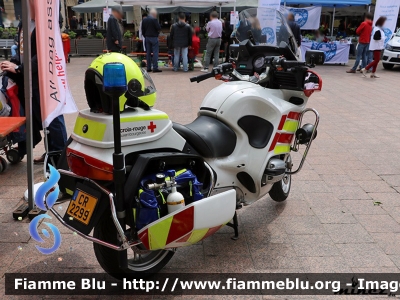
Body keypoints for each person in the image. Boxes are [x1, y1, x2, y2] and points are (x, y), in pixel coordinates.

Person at [1, 2, 67, 163]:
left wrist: (18, 68)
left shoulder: (49, 22)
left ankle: (60, 156)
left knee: (53, 118)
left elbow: (45, 55)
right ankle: (48, 152)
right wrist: (12, 64)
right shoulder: (25, 22)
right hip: (28, 79)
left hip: (45, 80)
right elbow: (21, 49)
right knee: (38, 117)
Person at [141, 9, 162, 73]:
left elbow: (142, 30)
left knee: (148, 53)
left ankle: (148, 67)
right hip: (154, 37)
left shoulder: (144, 20)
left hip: (147, 37)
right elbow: (158, 28)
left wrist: (145, 36)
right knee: (155, 53)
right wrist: (157, 34)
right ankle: (155, 68)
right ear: (154, 14)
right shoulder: (154, 20)